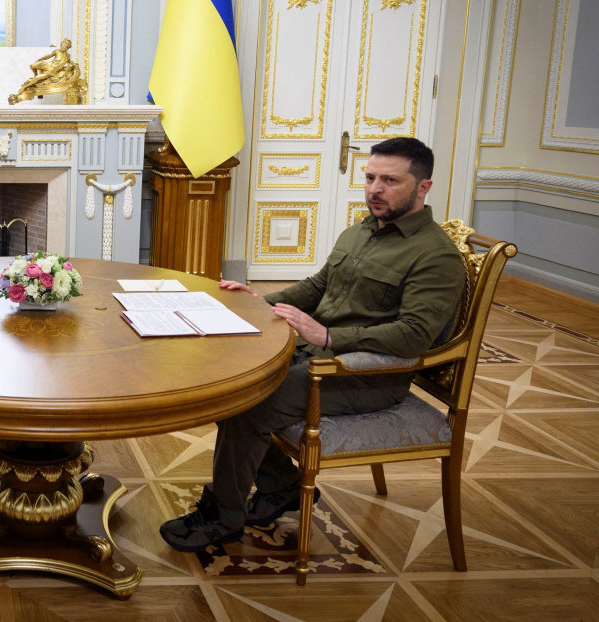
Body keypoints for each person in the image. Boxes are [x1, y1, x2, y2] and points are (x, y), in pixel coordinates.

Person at [160, 137, 466, 552]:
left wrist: (328, 336)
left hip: (366, 376)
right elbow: (319, 286)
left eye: (390, 180)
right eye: (370, 177)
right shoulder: (362, 230)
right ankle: (283, 487)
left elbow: (414, 334)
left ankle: (222, 518)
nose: (375, 189)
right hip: (318, 356)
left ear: (423, 187)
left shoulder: (435, 256)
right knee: (232, 385)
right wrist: (255, 304)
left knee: (250, 406)